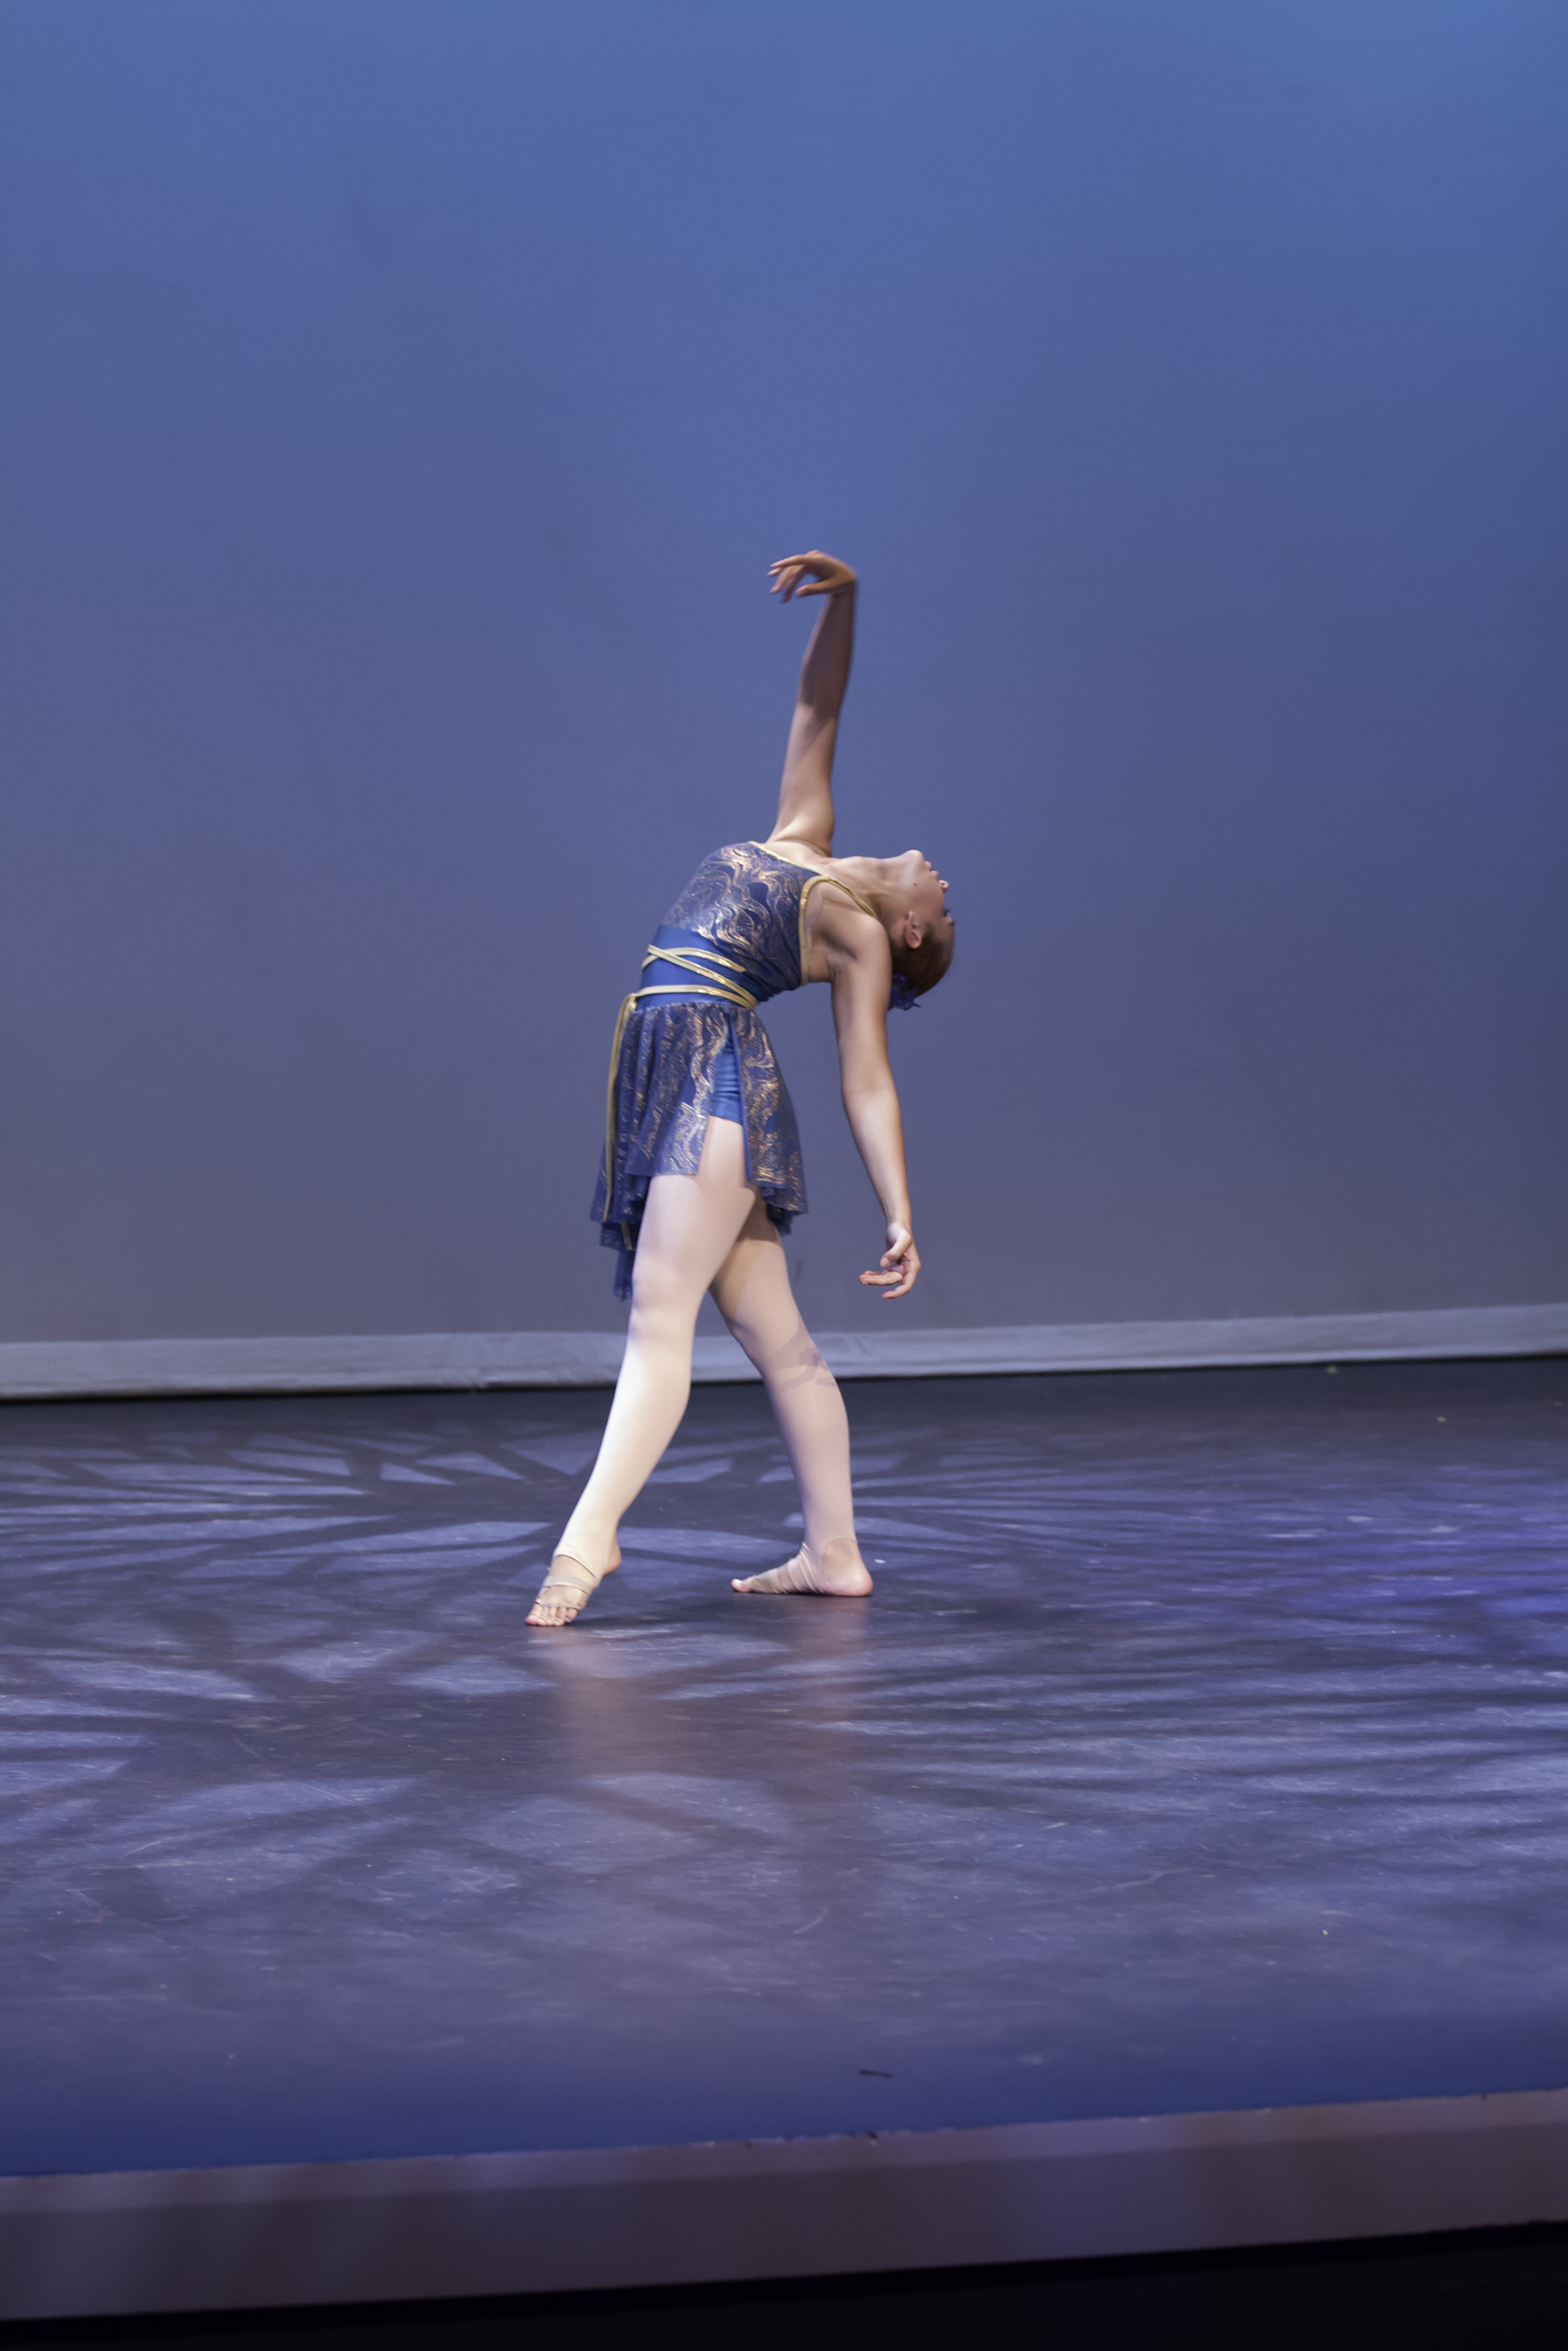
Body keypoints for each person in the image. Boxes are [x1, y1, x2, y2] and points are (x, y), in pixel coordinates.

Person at [527, 552, 954, 1628]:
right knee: (781, 1341)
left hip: (712, 1067)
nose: (942, 880)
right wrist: (846, 601)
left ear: (909, 931)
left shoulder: (855, 932)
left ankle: (588, 1535)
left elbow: (866, 1079)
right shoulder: (802, 837)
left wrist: (900, 1209)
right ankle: (834, 1551)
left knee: (659, 1314)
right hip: (663, 1060)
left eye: (944, 906)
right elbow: (818, 705)